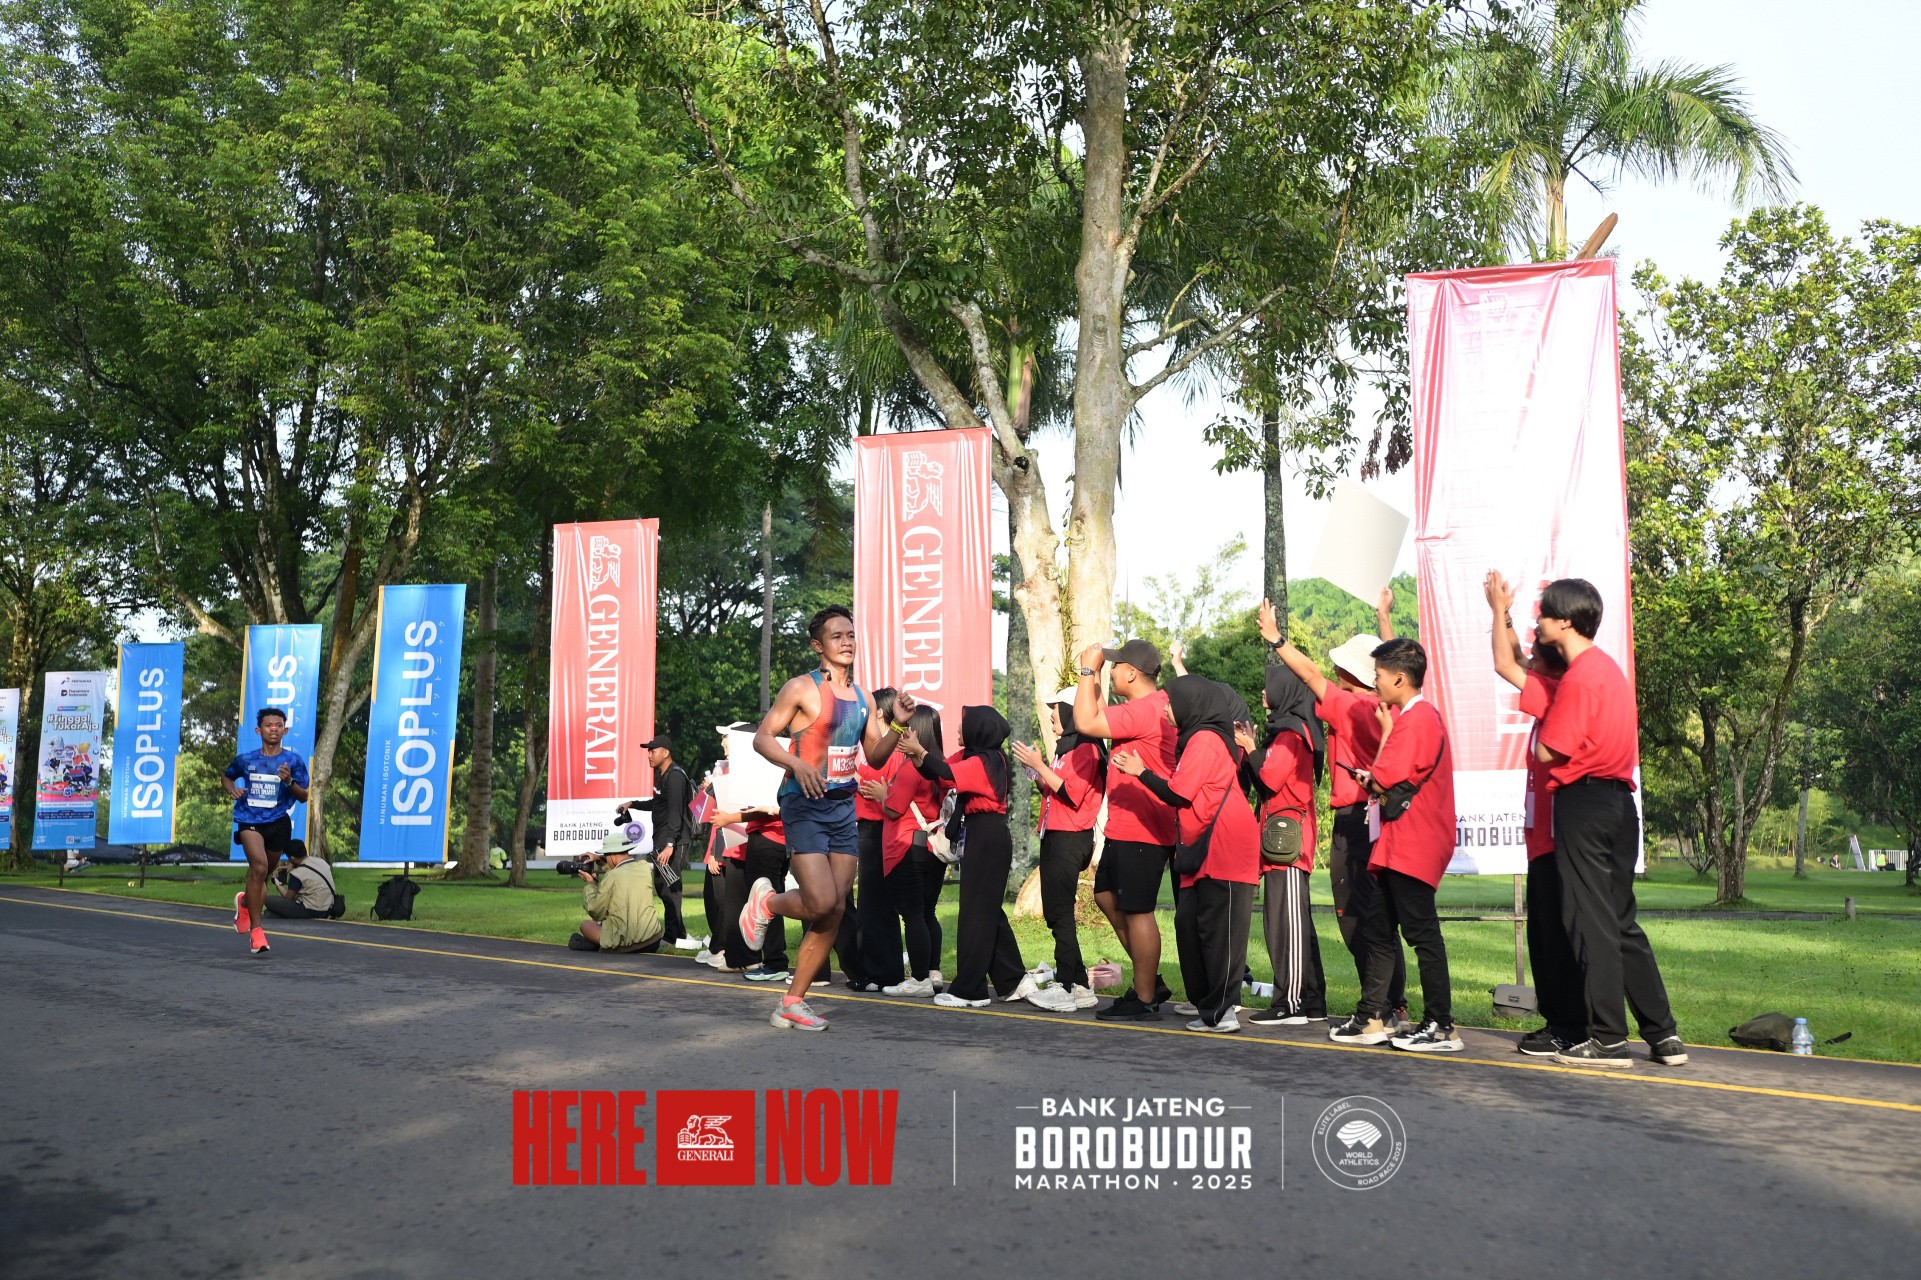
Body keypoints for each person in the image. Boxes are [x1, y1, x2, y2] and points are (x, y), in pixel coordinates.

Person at [1532, 578, 1686, 1069]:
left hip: (1585, 803)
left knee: (1591, 923)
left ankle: (1608, 1039)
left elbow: (1548, 750)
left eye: (1544, 614)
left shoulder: (1579, 677)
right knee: (1621, 922)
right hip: (1620, 803)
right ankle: (1663, 1034)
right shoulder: (1608, 669)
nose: (1539, 621)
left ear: (1565, 622)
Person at [740, 605, 917, 1032]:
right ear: (818, 646)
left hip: (842, 807)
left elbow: (875, 756)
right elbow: (763, 738)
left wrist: (896, 726)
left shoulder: (864, 698)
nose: (847, 642)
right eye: (837, 636)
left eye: (851, 635)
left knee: (834, 910)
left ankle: (792, 1002)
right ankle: (766, 903)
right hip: (803, 805)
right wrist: (796, 763)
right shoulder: (801, 688)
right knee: (820, 901)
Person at [1264, 593, 1409, 1030]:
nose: (1333, 671)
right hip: (1380, 816)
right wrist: (1384, 618)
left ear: (1352, 674)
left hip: (1356, 818)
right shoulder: (1389, 707)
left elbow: (1309, 674)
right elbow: (1399, 667)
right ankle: (1393, 1005)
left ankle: (1378, 1009)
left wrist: (1278, 640)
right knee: (1380, 916)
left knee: (1356, 919)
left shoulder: (1353, 707)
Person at [1327, 637, 1463, 1052]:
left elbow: (1383, 779)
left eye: (1379, 675)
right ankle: (1372, 1016)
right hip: (1399, 841)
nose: (1375, 682)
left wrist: (1378, 755)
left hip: (1414, 842)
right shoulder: (1418, 716)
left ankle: (1442, 1025)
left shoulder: (1416, 720)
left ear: (1400, 679)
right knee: (1378, 929)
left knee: (1422, 934)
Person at [1116, 676, 1260, 1032]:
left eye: (1171, 702)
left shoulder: (1205, 739)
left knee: (1219, 931)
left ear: (1190, 705)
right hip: (1200, 848)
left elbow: (1179, 792)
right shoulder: (1194, 739)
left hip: (1225, 844)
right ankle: (1207, 1003)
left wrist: (1140, 772)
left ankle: (1222, 1010)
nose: (1166, 708)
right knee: (1189, 925)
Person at [904, 706, 1073, 1012]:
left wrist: (919, 751)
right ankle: (1012, 981)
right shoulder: (974, 755)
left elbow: (946, 773)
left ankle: (970, 989)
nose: (958, 730)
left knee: (975, 915)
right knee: (987, 913)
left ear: (978, 729)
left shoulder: (986, 760)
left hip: (987, 836)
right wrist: (916, 753)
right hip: (980, 835)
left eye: (963, 725)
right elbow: (937, 771)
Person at [1485, 571, 1585, 1056]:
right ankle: (1560, 1022)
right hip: (1542, 836)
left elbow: (1506, 663)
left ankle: (1569, 1025)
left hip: (1556, 835)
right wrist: (1503, 613)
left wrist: (1497, 611)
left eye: (1536, 651)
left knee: (1555, 938)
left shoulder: (1555, 692)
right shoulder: (1550, 689)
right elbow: (1517, 659)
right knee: (1545, 936)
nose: (1529, 652)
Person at [1074, 638, 1177, 1022]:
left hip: (1142, 826)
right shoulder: (1149, 706)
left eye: (1116, 666)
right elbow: (1102, 718)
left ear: (1132, 673)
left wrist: (1088, 671)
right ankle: (1149, 980)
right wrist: (1097, 677)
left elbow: (1086, 723)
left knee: (1138, 910)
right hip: (1129, 825)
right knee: (1105, 895)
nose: (1112, 670)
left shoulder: (1144, 710)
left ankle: (1145, 997)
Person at [1240, 663, 1328, 1026]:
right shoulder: (1286, 730)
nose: (1264, 692)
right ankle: (1313, 1001)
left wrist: (1249, 748)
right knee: (1294, 922)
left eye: (1269, 686)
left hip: (1288, 842)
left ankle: (1289, 1003)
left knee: (1284, 925)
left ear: (1285, 691)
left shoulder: (1291, 734)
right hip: (1282, 838)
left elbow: (1270, 780)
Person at [1010, 687, 1107, 1010]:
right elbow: (1054, 790)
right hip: (1055, 834)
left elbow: (1073, 793)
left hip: (1070, 837)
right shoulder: (1067, 748)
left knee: (1060, 913)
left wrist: (1040, 765)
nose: (1052, 714)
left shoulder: (1086, 749)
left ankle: (1065, 986)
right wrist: (1035, 769)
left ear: (1071, 712)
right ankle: (1079, 984)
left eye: (1056, 708)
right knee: (1056, 913)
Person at [224, 707, 311, 957]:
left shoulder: (293, 761)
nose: (273, 729)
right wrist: (232, 790)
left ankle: (244, 902)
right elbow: (227, 777)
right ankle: (257, 931)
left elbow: (304, 797)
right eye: (268, 725)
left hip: (278, 823)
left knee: (262, 878)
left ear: (285, 730)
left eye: (278, 725)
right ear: (258, 730)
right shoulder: (246, 759)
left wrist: (289, 782)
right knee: (259, 868)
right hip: (249, 819)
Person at [877, 704, 948, 997]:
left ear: (915, 732)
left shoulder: (910, 770)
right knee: (928, 913)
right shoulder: (939, 767)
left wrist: (883, 796)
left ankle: (918, 980)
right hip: (933, 849)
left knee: (913, 916)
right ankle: (933, 972)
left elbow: (894, 809)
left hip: (907, 847)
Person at [623, 733, 700, 950]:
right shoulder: (663, 775)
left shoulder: (674, 777)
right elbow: (657, 804)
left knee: (670, 888)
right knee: (663, 887)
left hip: (672, 841)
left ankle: (674, 936)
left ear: (665, 753)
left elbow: (675, 813)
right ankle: (677, 934)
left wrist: (669, 845)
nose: (649, 755)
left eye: (653, 751)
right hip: (662, 841)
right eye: (648, 751)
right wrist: (633, 804)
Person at [855, 689, 908, 989]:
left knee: (875, 903)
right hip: (871, 829)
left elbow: (877, 785)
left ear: (877, 713)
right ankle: (877, 970)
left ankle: (882, 972)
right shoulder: (886, 748)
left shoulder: (892, 749)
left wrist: (851, 773)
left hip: (878, 830)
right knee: (872, 903)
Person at [568, 831, 664, 954]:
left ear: (612, 855)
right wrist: (601, 859)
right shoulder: (644, 868)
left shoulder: (611, 876)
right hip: (652, 940)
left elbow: (596, 911)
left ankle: (596, 944)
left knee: (586, 925)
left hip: (624, 945)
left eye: (606, 855)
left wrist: (591, 884)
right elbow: (623, 868)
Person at [264, 840, 340, 919]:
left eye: (288, 857)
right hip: (327, 909)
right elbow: (307, 866)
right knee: (269, 914)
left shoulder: (297, 874)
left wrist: (277, 883)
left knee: (268, 900)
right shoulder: (321, 862)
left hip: (311, 910)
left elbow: (288, 897)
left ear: (292, 858)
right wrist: (292, 865)